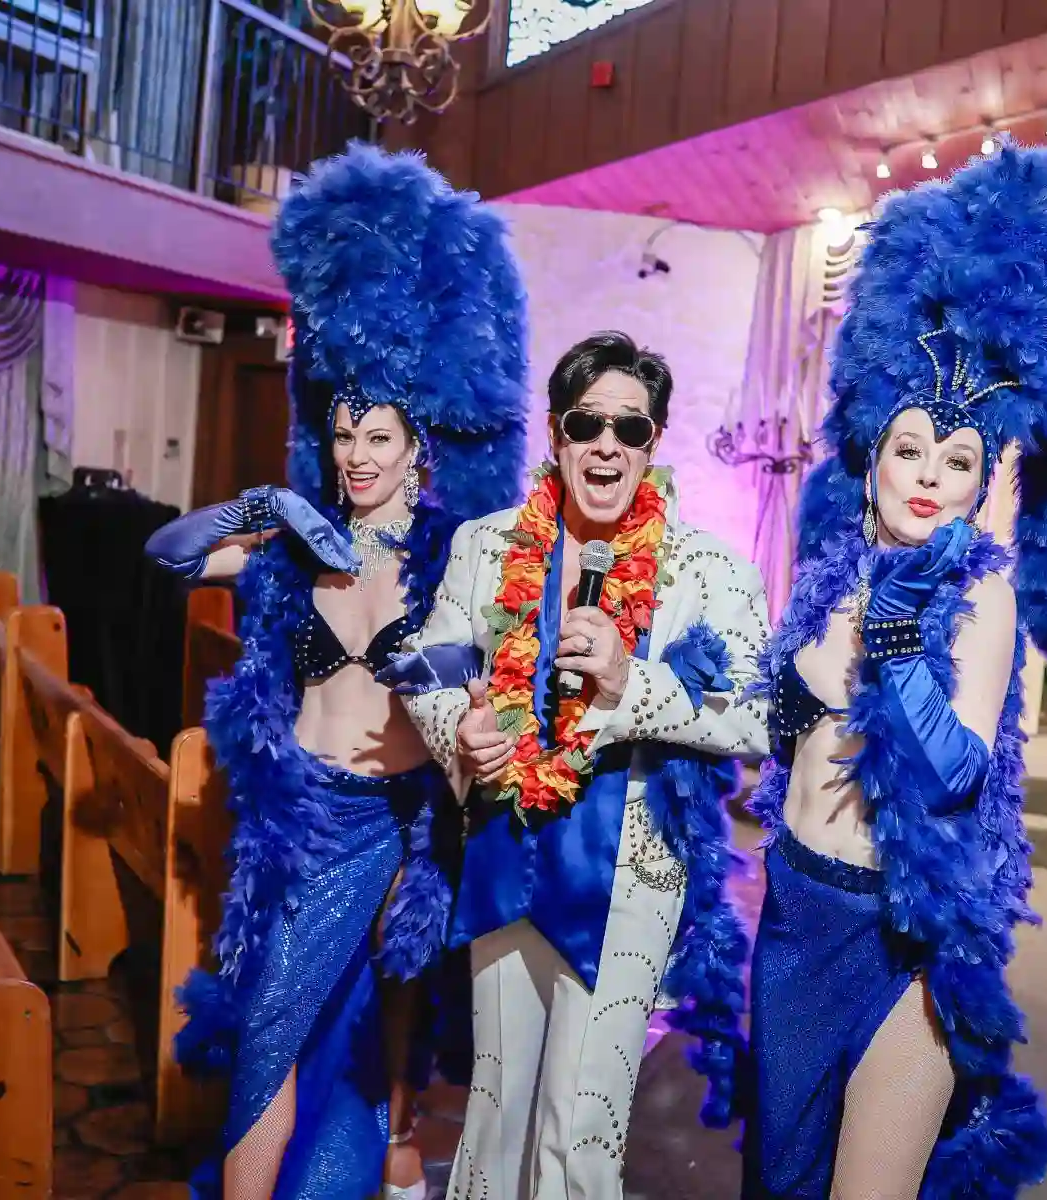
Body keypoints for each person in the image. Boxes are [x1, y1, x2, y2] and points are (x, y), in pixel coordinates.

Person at [741, 141, 1047, 1199]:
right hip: (793, 913)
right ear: (872, 453)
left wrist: (894, 638)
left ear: (980, 483)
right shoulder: (826, 574)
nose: (928, 476)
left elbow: (957, 769)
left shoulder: (980, 595)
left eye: (956, 461)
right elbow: (774, 730)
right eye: (911, 449)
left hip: (902, 934)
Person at [143, 143, 531, 1200]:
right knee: (275, 1036)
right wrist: (264, 508)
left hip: (390, 823)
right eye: (345, 433)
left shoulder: (454, 563)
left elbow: (479, 677)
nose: (357, 453)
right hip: (296, 819)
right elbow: (171, 556)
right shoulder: (299, 546)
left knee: (343, 1031)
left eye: (379, 437)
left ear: (417, 449)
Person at [389, 330, 771, 1200]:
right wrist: (460, 731)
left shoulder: (707, 571)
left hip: (630, 875)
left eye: (629, 428)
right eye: (586, 423)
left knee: (582, 1129)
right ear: (556, 433)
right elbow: (430, 665)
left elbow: (757, 715)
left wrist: (632, 685)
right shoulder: (488, 545)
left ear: (653, 443)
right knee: (493, 1112)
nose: (607, 445)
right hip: (505, 853)